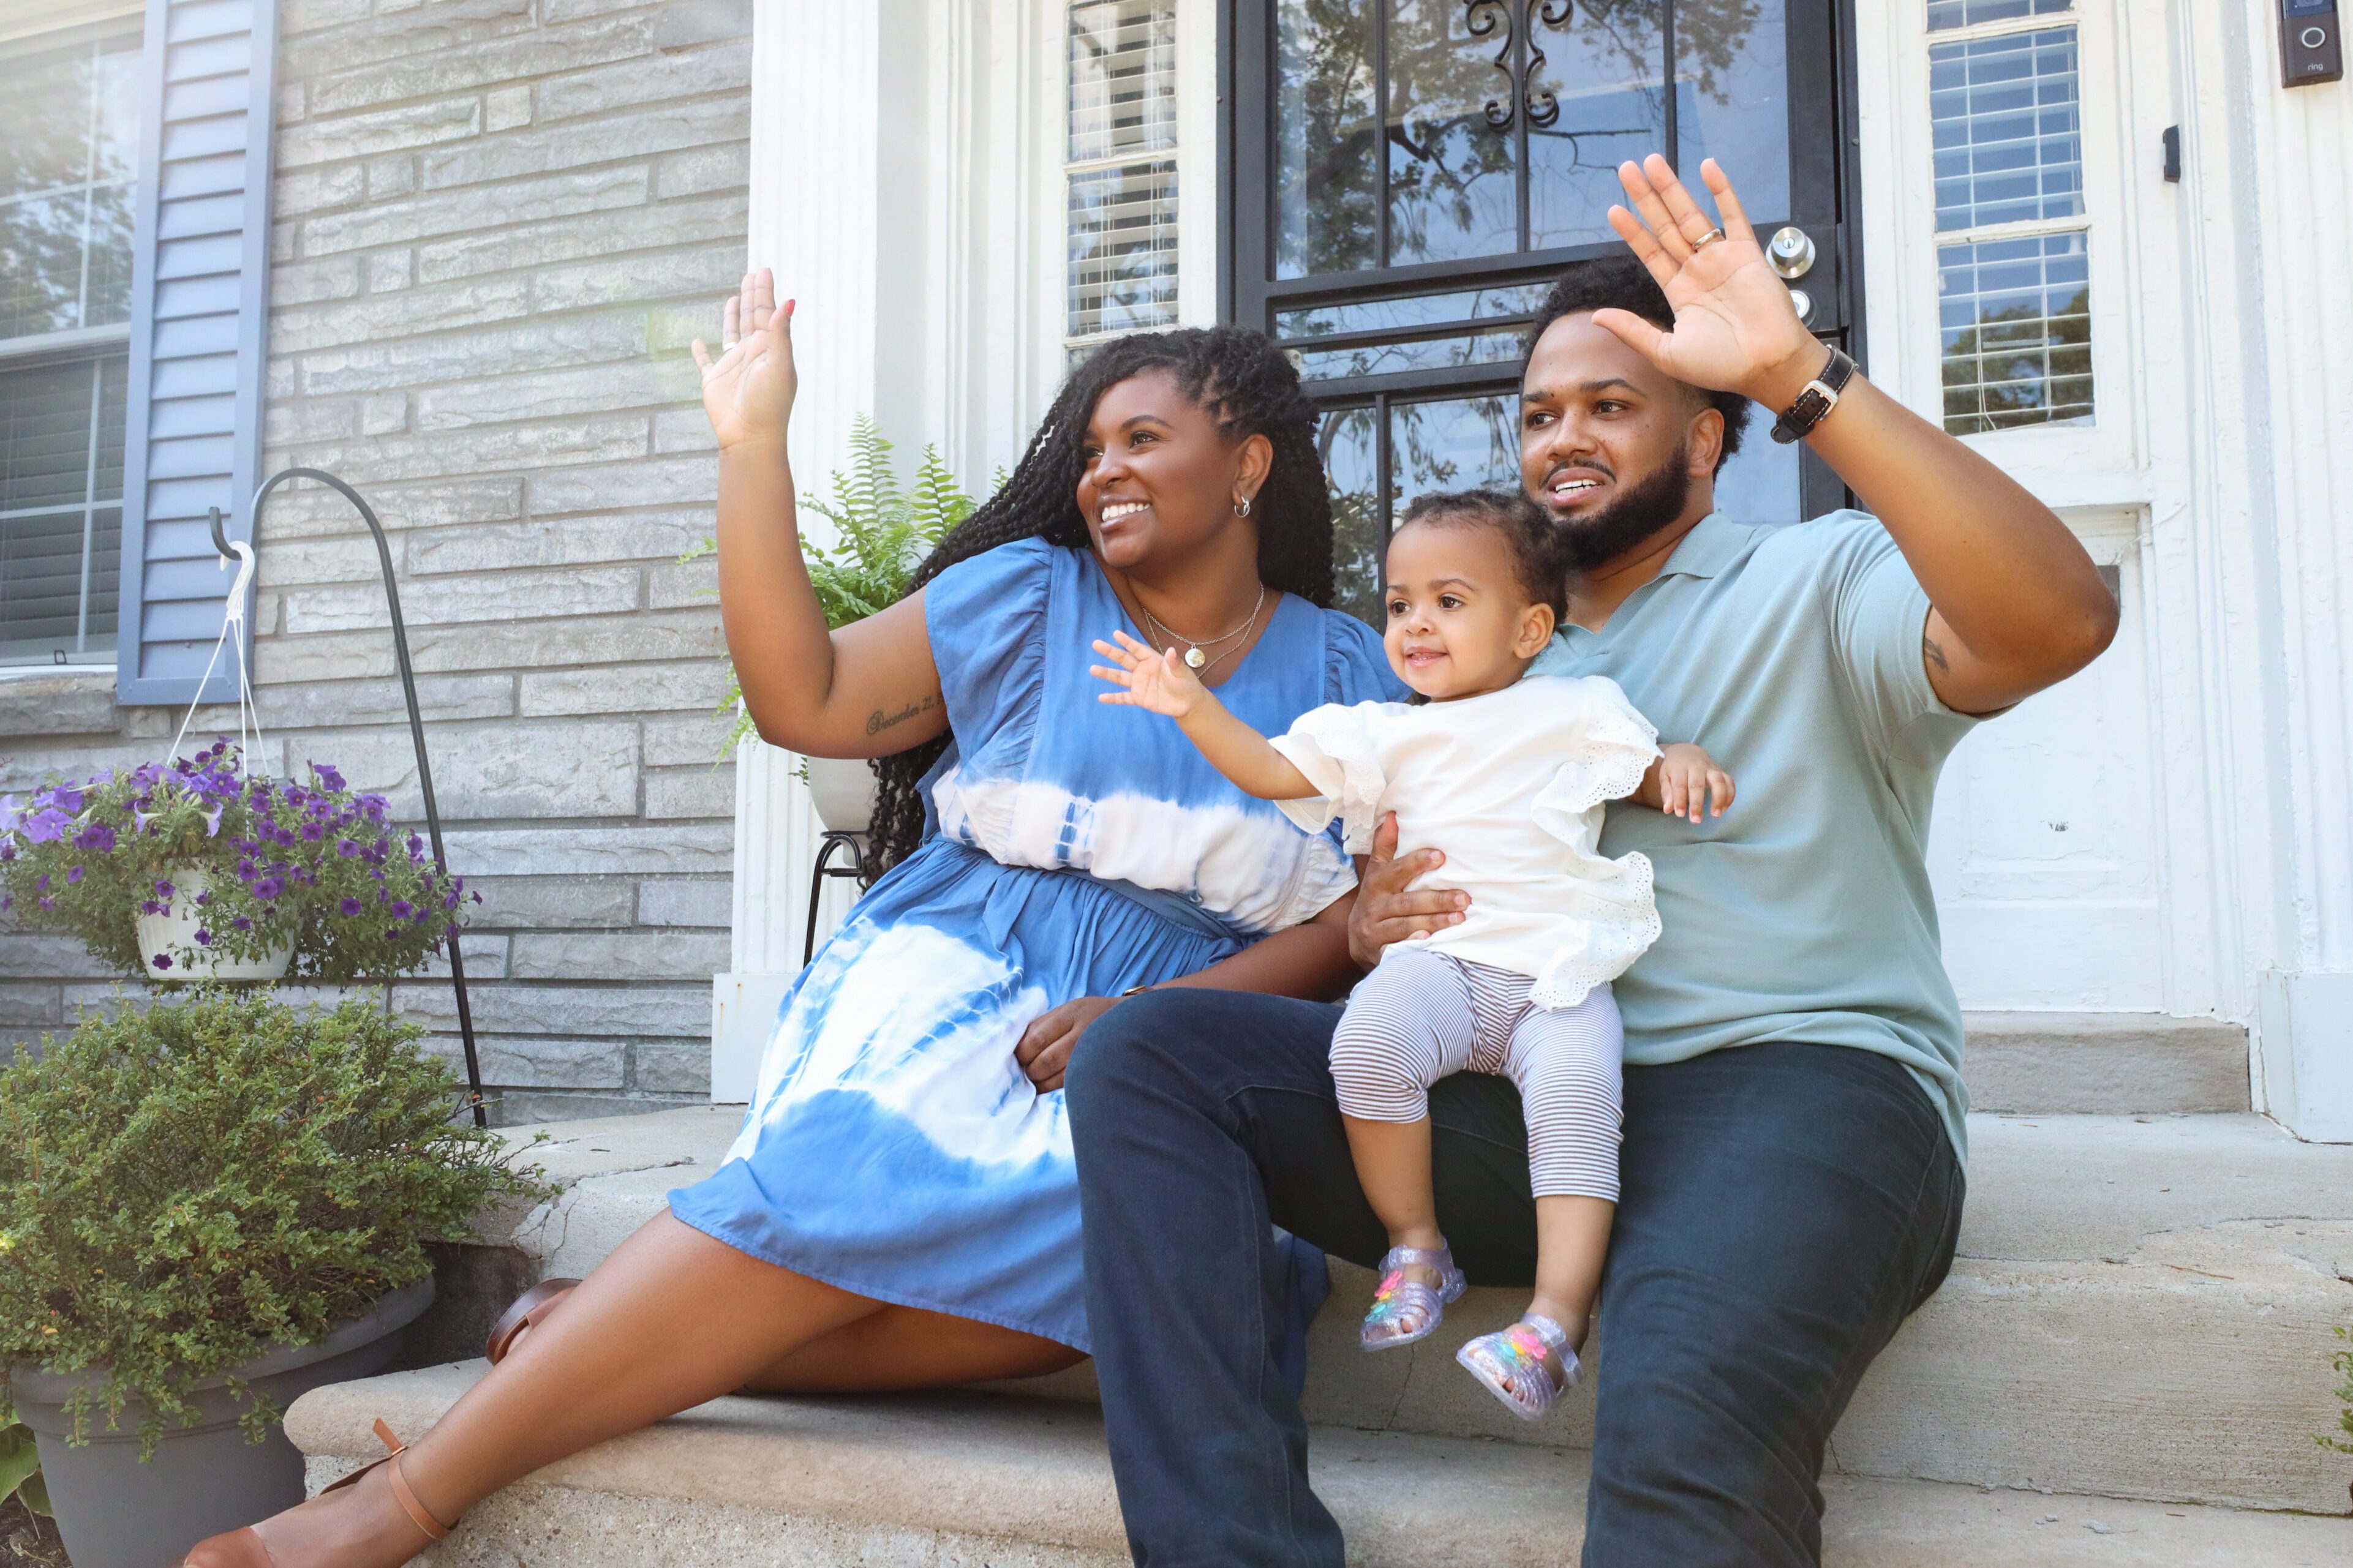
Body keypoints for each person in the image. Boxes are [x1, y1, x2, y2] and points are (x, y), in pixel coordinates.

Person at [183, 276, 1401, 1568]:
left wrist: (1157, 1020)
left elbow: (1354, 919)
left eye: (1142, 440)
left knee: (1155, 1284)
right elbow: (803, 697)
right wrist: (750, 443)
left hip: (1175, 1035)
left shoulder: (1346, 675)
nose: (1103, 470)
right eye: (1091, 446)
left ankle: (660, 1317)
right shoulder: (1029, 600)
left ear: (1249, 463)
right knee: (872, 1173)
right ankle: (398, 1504)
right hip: (964, 970)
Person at [1066, 155, 2118, 1566]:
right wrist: (1377, 925)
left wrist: (1801, 371)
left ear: (1706, 437)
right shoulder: (1462, 661)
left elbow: (2057, 622)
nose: (1563, 435)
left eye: (1612, 406)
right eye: (1539, 412)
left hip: (1793, 1088)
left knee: (1679, 1440)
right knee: (1152, 1055)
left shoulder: (1817, 580)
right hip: (1525, 1098)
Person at [1090, 487, 1733, 1422]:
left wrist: (1682, 756)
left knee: (1577, 1106)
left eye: (1449, 600)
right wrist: (1192, 705)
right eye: (1398, 603)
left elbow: (1640, 765)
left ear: (1529, 628)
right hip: (1439, 969)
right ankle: (1417, 1246)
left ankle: (1555, 1322)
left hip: (1554, 977)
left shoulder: (1572, 707)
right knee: (1365, 1045)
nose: (1414, 623)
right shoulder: (1382, 731)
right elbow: (1275, 770)